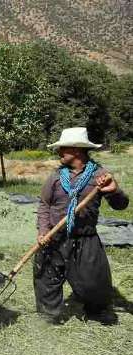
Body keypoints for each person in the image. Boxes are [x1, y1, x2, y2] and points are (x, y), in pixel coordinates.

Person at [35, 127, 129, 325]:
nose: (59, 152)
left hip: (85, 238)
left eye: (63, 149)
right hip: (55, 236)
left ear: (77, 150)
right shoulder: (55, 177)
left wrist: (114, 190)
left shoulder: (100, 176)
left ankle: (96, 310)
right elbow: (44, 205)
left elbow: (121, 206)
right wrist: (43, 231)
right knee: (46, 274)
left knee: (94, 281)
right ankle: (49, 314)